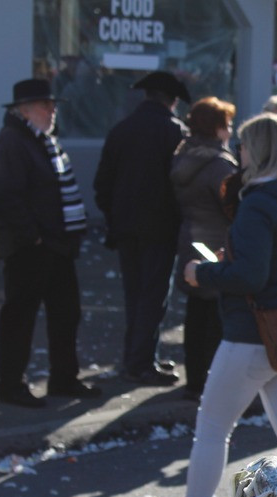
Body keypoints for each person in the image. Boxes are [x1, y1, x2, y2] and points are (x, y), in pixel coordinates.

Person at [136, 113, 277, 497]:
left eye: (243, 147)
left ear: (256, 151)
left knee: (212, 429)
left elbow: (250, 276)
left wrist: (202, 271)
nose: (238, 155)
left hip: (250, 334)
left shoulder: (260, 201)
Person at [0, 78, 97, 407]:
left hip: (57, 244)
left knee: (66, 312)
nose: (52, 110)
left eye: (52, 105)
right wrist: (31, 234)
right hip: (31, 246)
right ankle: (11, 384)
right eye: (45, 105)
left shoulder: (44, 139)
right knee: (20, 316)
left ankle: (63, 378)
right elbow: (4, 194)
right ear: (24, 110)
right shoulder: (13, 141)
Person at [94, 71, 190, 387]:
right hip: (159, 229)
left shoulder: (122, 129)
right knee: (153, 296)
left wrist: (114, 216)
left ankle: (137, 356)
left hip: (125, 228)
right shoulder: (174, 131)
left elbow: (102, 184)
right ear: (172, 101)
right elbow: (182, 184)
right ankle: (140, 362)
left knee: (135, 294)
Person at [170, 97, 238, 402]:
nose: (232, 129)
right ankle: (210, 382)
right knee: (214, 316)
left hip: (191, 238)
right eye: (228, 123)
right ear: (218, 127)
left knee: (196, 313)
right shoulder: (219, 165)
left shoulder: (183, 157)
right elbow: (232, 205)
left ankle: (194, 379)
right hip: (217, 243)